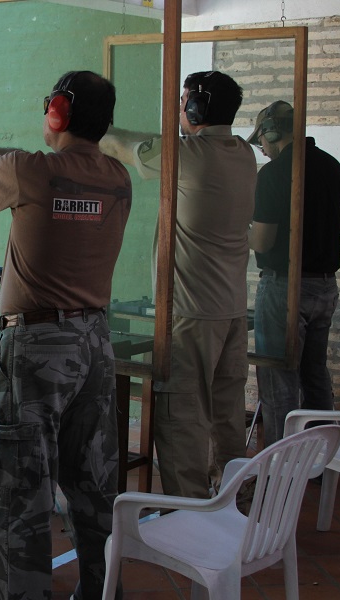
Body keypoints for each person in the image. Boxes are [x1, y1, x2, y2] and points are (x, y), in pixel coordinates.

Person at [0, 70, 132, 600]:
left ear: (57, 112)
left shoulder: (28, 171)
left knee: (19, 490)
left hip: (38, 346)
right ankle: (104, 590)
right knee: (92, 480)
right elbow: (24, 164)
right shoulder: (114, 176)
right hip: (94, 342)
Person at [99, 71, 257, 499]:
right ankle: (233, 504)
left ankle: (187, 514)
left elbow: (122, 147)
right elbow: (152, 142)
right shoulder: (242, 153)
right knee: (226, 416)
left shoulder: (188, 156)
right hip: (230, 310)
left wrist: (91, 124)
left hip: (191, 314)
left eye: (184, 100)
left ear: (197, 108)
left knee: (182, 418)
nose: (180, 108)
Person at [247, 100, 340, 445]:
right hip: (325, 287)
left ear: (272, 132)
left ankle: (281, 465)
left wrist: (237, 227)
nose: (261, 147)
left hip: (285, 288)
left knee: (279, 384)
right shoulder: (332, 166)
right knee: (315, 377)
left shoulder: (274, 174)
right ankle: (319, 460)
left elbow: (262, 241)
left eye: (261, 139)